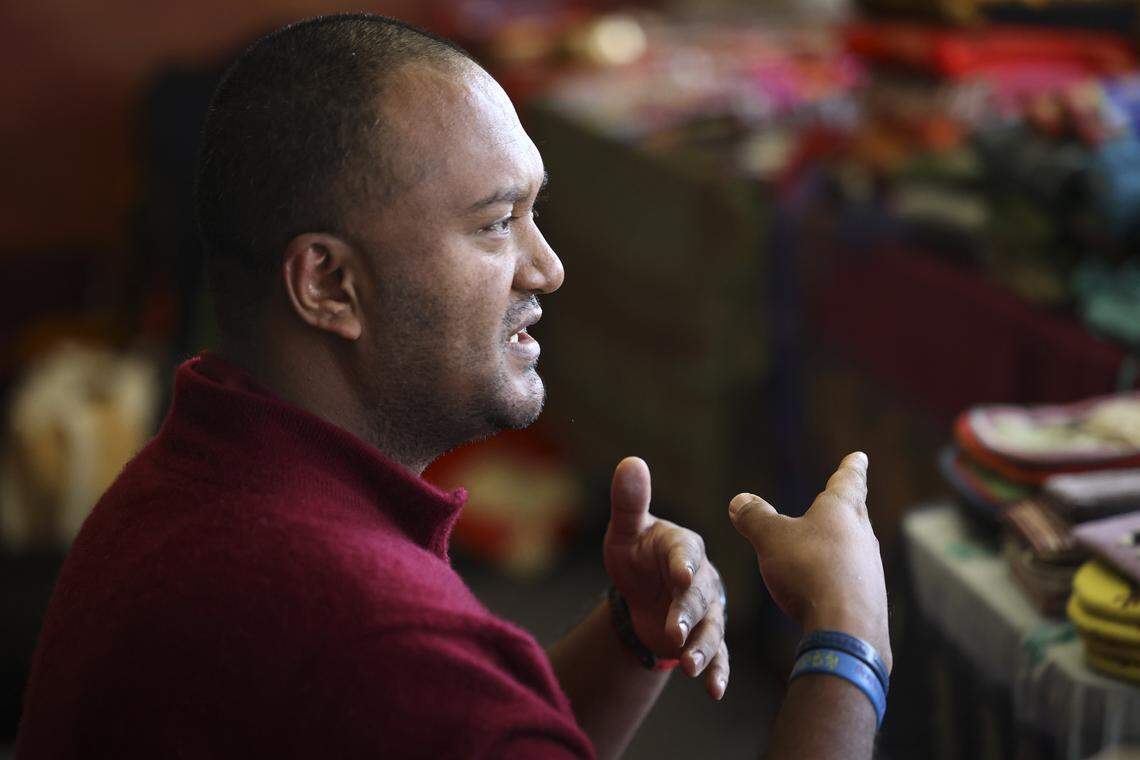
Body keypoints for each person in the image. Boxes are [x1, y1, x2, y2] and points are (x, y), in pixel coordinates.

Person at [16, 14, 890, 759]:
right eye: (497, 223)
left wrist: (628, 637)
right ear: (328, 285)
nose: (546, 269)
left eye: (534, 216)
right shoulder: (374, 637)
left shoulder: (187, 477)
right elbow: (418, 691)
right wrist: (848, 643)